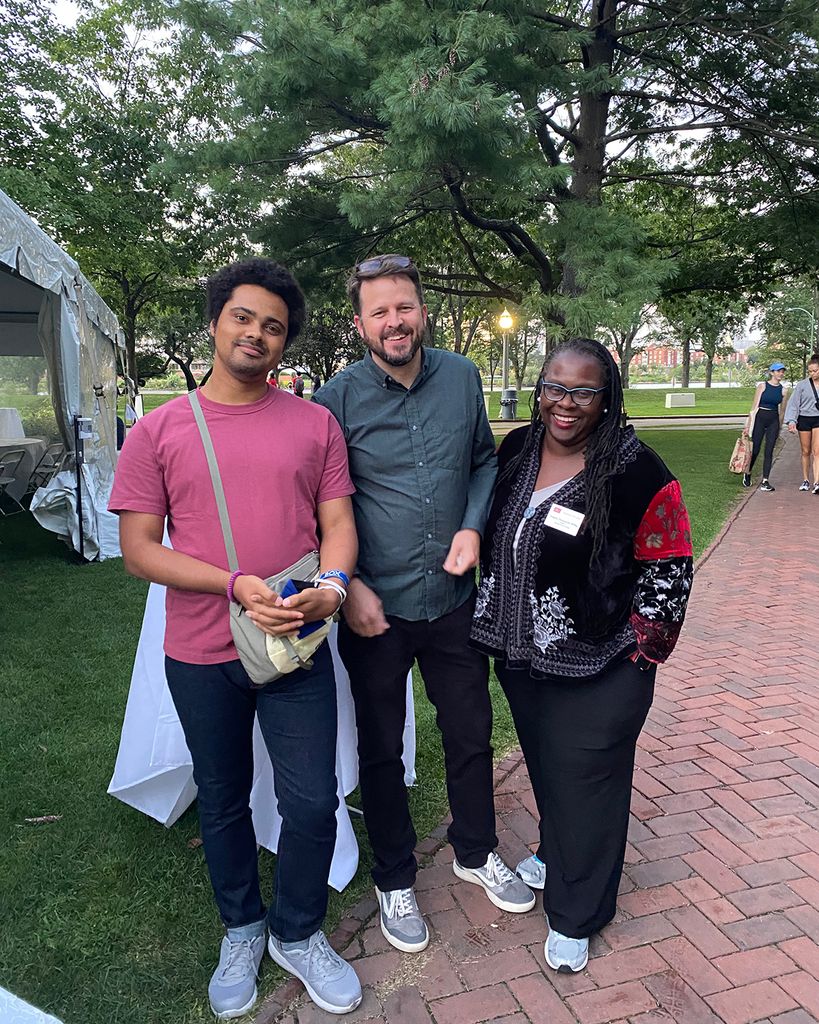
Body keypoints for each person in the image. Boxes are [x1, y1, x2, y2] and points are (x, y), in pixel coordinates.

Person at [108, 258, 363, 1019]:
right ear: (216, 323)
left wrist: (334, 589)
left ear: (285, 344)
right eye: (244, 317)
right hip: (201, 651)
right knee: (221, 802)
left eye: (274, 326)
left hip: (295, 645)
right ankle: (242, 928)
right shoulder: (158, 429)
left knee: (312, 802)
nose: (257, 333)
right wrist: (232, 584)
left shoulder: (314, 422)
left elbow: (338, 524)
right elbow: (140, 549)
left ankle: (298, 931)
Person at [313, 253, 534, 955]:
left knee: (470, 734)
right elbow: (320, 507)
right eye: (378, 311)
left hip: (452, 602)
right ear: (359, 324)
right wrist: (349, 588)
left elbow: (482, 460)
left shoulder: (462, 377)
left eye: (403, 306)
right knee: (380, 750)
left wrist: (472, 523)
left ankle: (474, 850)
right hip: (374, 611)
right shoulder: (333, 401)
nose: (393, 321)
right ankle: (393, 878)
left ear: (422, 311)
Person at [470, 337, 693, 973]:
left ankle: (578, 912)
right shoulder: (516, 450)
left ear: (607, 398)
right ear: (539, 390)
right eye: (555, 387)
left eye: (584, 390)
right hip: (521, 655)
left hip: (605, 663)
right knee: (546, 765)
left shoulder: (637, 470)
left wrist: (643, 652)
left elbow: (670, 565)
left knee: (590, 781)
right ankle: (555, 849)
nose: (566, 403)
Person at [742, 361, 789, 491]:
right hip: (760, 418)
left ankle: (765, 480)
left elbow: (782, 410)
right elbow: (754, 407)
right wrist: (748, 425)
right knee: (755, 449)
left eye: (782, 371)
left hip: (773, 419)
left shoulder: (784, 390)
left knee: (769, 450)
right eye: (778, 371)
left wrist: (779, 426)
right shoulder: (762, 386)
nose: (781, 373)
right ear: (771, 372)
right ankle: (748, 472)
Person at [783, 353, 819, 494]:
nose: (813, 373)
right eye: (810, 371)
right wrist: (792, 421)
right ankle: (805, 480)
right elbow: (794, 404)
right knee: (806, 451)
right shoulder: (802, 385)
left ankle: (817, 482)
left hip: (818, 419)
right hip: (804, 419)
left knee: (817, 451)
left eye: (815, 370)